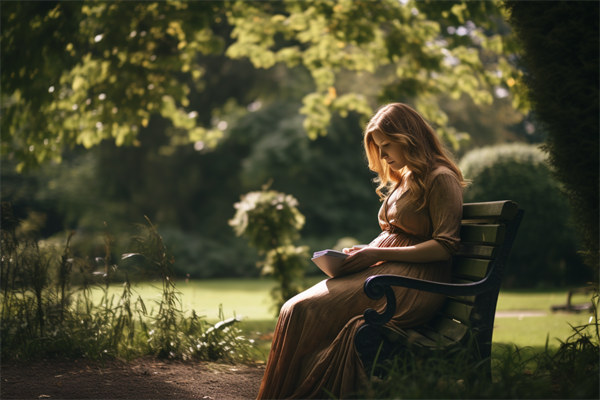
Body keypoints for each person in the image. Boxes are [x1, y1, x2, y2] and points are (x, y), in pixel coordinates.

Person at [256, 103, 466, 399]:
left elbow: (444, 247)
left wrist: (377, 255)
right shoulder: (406, 178)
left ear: (408, 138)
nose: (382, 156)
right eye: (378, 148)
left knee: (303, 310)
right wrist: (368, 250)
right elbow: (399, 234)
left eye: (386, 145)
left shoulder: (439, 177)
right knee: (294, 308)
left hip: (413, 285)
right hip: (387, 274)